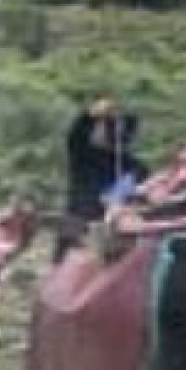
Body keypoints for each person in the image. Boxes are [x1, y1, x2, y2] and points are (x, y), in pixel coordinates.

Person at [59, 97, 146, 261]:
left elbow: (128, 197)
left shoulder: (135, 167)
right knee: (65, 271)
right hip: (77, 224)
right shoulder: (85, 155)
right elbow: (76, 137)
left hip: (110, 233)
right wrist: (91, 115)